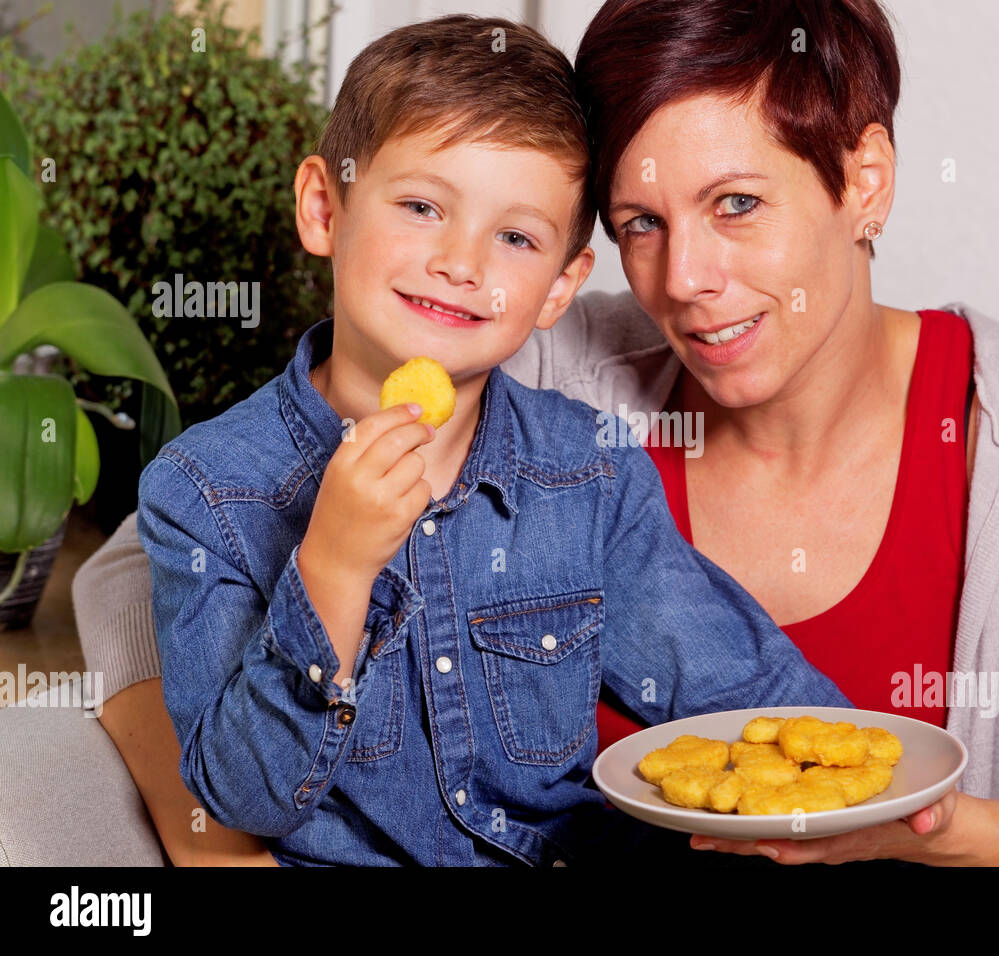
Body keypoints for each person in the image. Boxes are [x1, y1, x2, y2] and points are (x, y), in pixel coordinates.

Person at [74, 0, 999, 867]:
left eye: (738, 203)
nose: (690, 279)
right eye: (643, 218)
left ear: (865, 179)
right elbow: (157, 545)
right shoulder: (534, 348)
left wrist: (942, 828)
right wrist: (219, 841)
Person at [126, 14, 855, 868]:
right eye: (423, 206)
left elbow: (749, 697)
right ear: (325, 208)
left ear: (558, 288)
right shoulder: (205, 487)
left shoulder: (589, 475)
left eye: (515, 238)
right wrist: (333, 567)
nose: (462, 263)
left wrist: (872, 797)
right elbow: (240, 798)